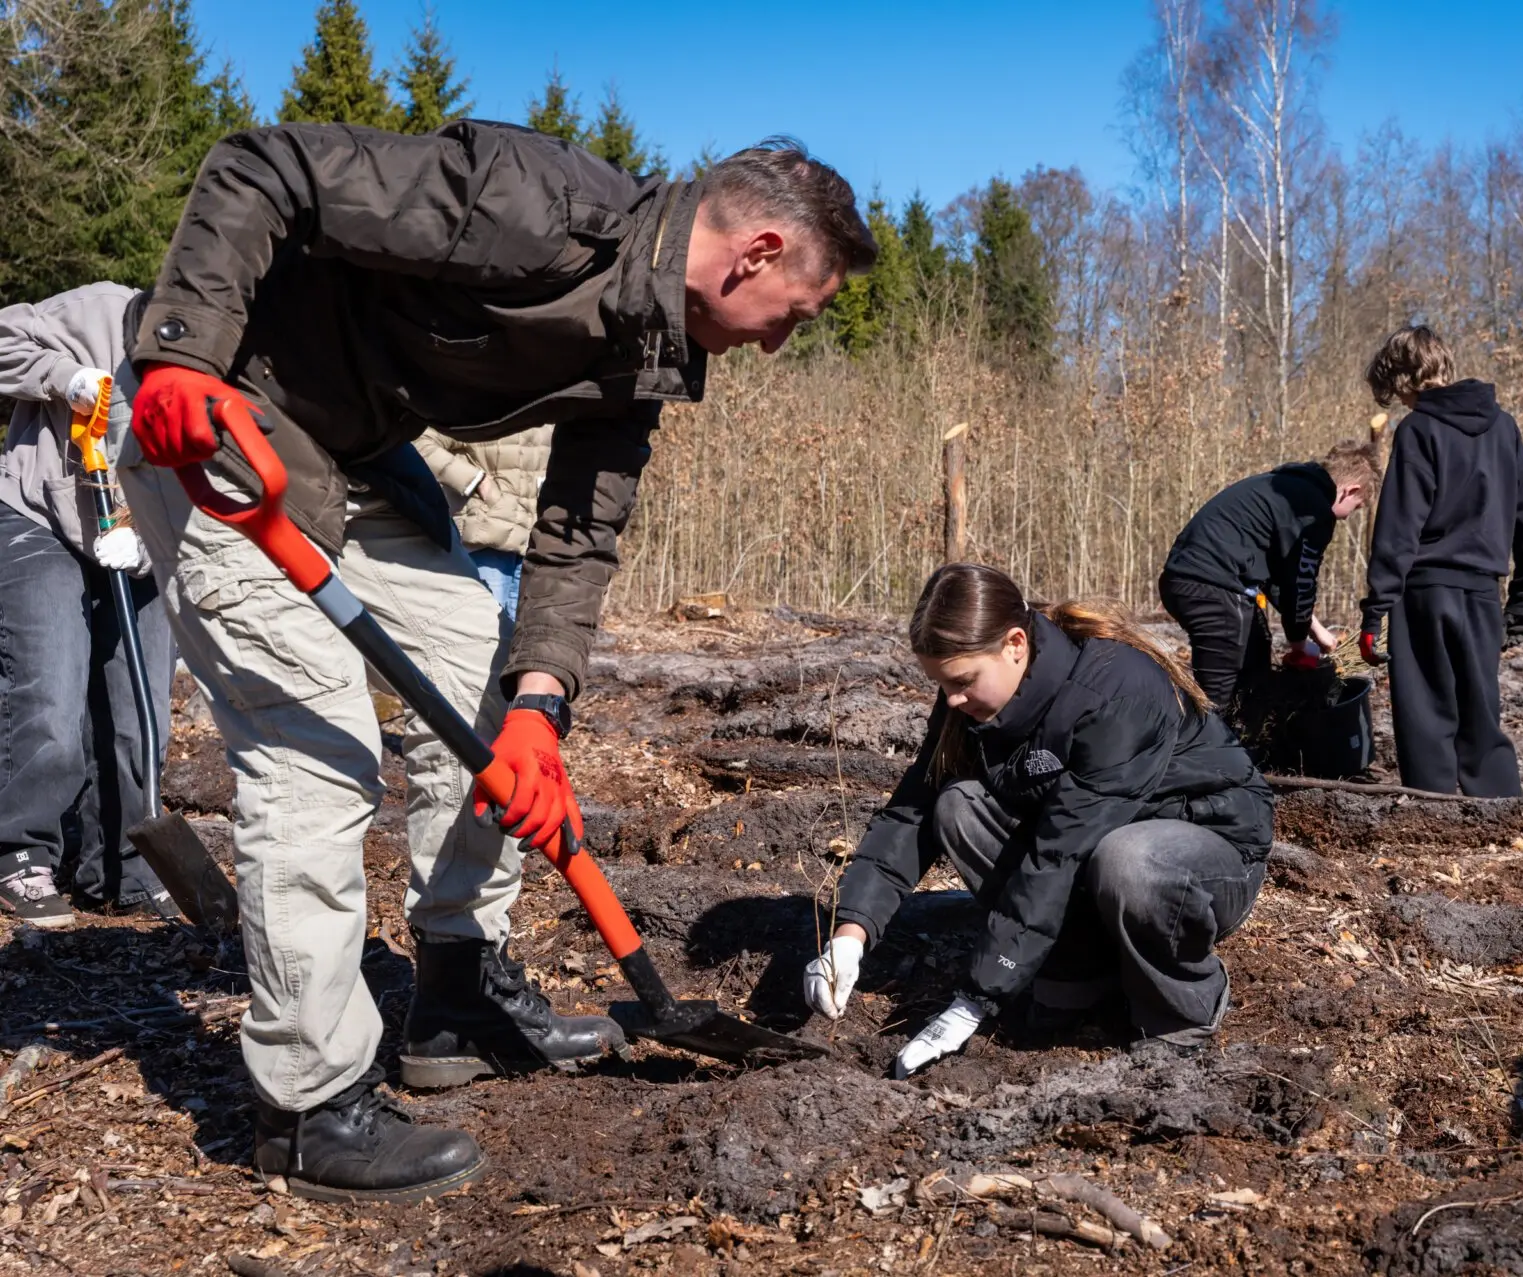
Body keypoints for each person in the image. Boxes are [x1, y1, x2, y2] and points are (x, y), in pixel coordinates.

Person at [118, 120, 875, 1203]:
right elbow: (263, 163)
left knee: (482, 670)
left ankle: (456, 988)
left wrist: (540, 706)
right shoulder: (535, 204)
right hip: (218, 425)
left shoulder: (651, 351)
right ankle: (303, 1102)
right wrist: (181, 354)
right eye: (792, 316)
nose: (777, 342)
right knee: (317, 743)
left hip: (355, 458)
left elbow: (578, 535)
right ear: (754, 252)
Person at [803, 563, 1274, 1078]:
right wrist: (849, 935)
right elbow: (910, 813)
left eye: (962, 682)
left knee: (1131, 861)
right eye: (942, 685)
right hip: (1092, 847)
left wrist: (977, 997)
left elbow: (1058, 852)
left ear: (1015, 644)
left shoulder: (1118, 692)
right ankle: (1076, 977)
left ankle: (1178, 1013)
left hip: (1205, 855)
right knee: (959, 805)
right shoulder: (969, 703)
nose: (952, 699)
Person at [0, 281, 179, 927]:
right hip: (36, 515)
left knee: (142, 712)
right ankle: (21, 851)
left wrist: (153, 542)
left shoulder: (219, 370)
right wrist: (61, 376)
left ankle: (127, 865)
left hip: (142, 540)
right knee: (51, 688)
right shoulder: (94, 309)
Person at [1356, 325, 1523, 797]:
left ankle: (1433, 814)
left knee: (1425, 711)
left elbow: (1400, 527)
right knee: (1481, 705)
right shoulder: (1504, 427)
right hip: (1484, 591)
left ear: (1404, 379)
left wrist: (1376, 609)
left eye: (1396, 391)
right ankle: (1500, 807)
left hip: (1424, 591)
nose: (1399, 401)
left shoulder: (1418, 429)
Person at [1159, 442, 1382, 717]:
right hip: (1211, 587)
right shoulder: (1314, 511)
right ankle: (1202, 750)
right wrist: (1299, 645)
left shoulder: (1288, 488)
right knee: (1220, 695)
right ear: (1351, 490)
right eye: (1356, 507)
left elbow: (1280, 579)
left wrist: (1316, 631)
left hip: (1190, 581)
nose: (1349, 517)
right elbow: (1300, 584)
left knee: (1255, 664)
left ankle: (1245, 743)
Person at [415, 426, 555, 619]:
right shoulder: (477, 403)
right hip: (486, 536)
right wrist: (476, 481)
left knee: (518, 637)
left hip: (534, 541)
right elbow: (418, 442)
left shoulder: (546, 406)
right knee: (481, 625)